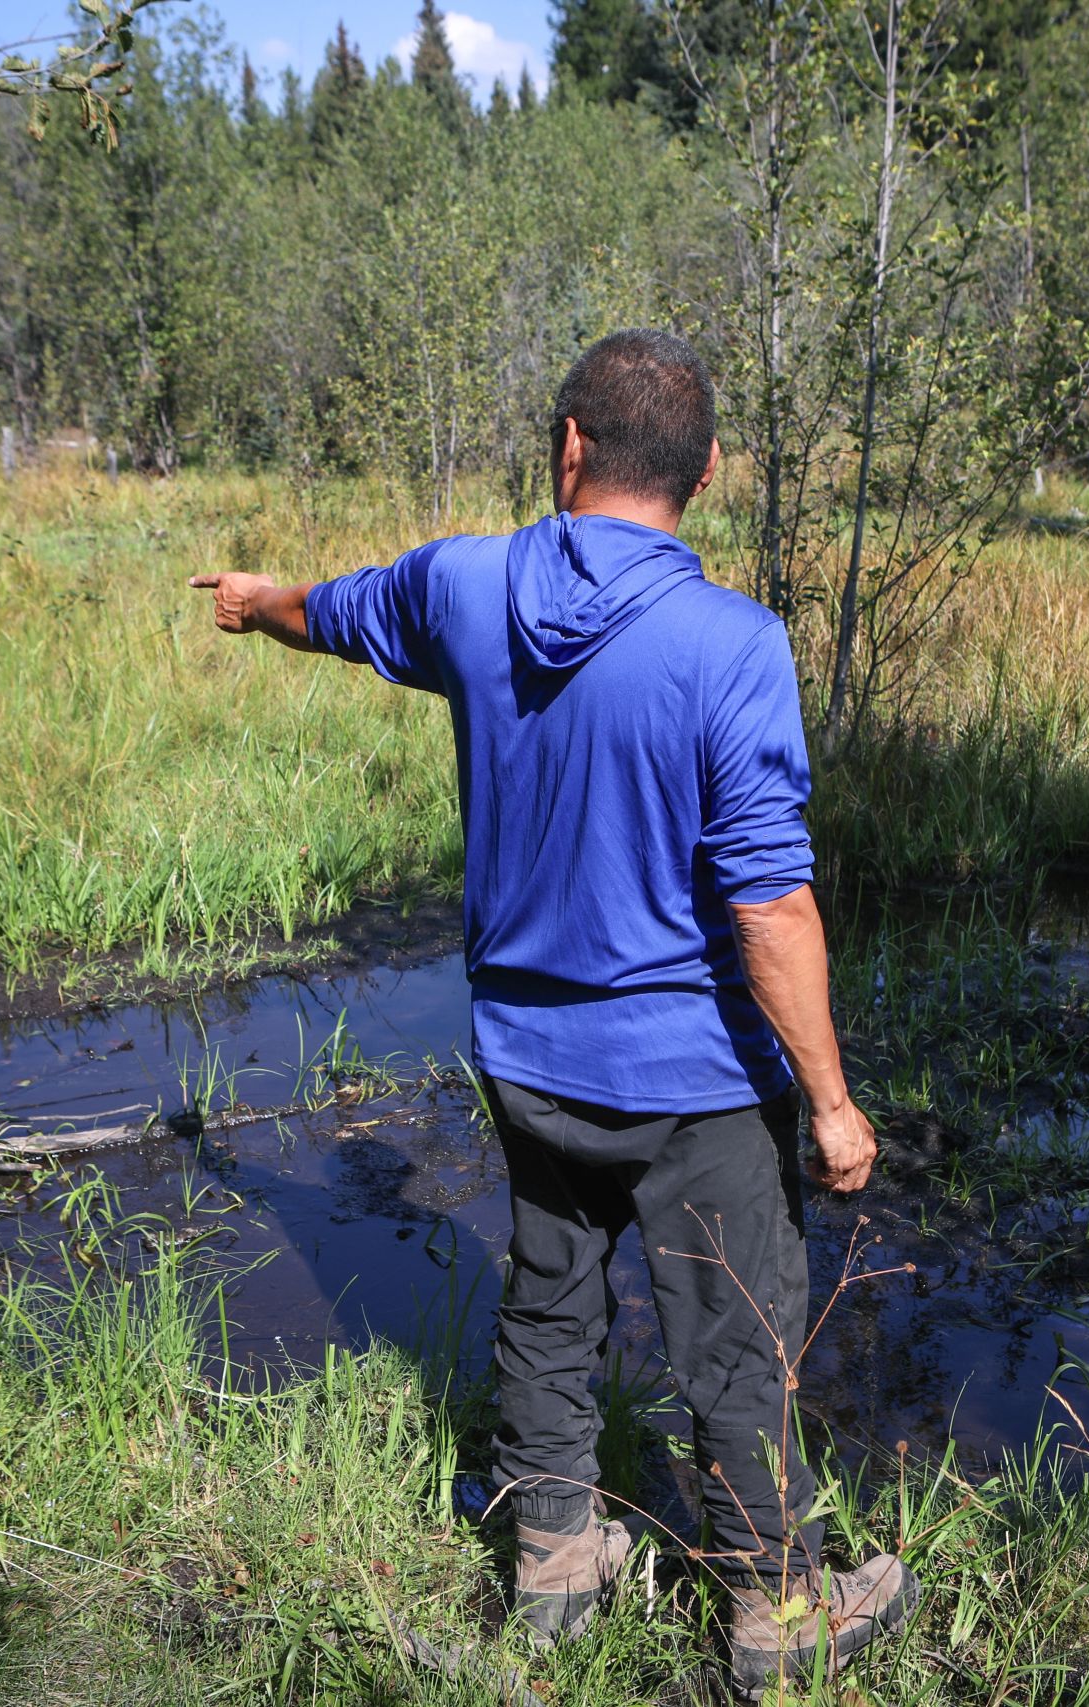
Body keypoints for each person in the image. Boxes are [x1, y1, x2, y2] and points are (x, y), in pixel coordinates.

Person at [187, 329, 916, 1690]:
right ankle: (774, 1618)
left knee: (549, 1308)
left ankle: (557, 1568)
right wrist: (827, 1096)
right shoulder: (733, 644)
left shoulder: (466, 586)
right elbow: (769, 905)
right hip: (696, 1084)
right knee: (738, 1345)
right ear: (703, 473)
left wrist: (254, 596)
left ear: (572, 447)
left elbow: (331, 616)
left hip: (528, 1059)